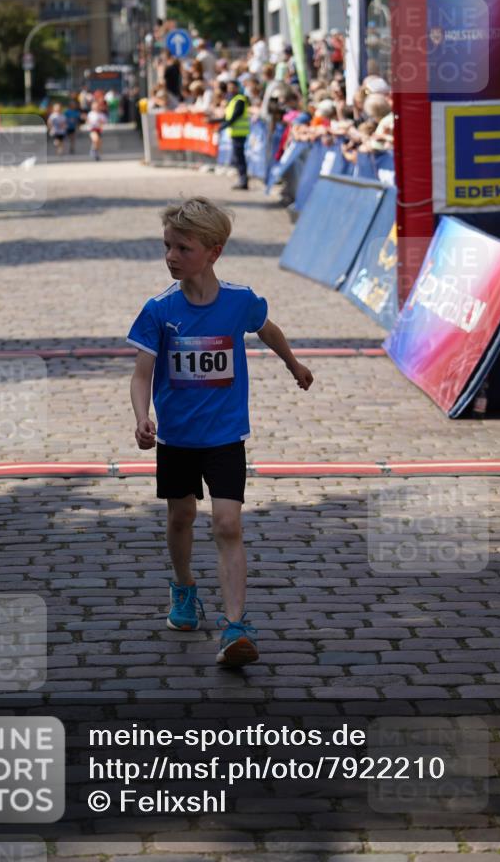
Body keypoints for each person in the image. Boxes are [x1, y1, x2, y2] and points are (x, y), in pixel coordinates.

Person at [127, 197, 313, 667]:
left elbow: (267, 329)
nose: (171, 256)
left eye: (182, 248)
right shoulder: (159, 310)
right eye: (167, 246)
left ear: (214, 251)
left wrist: (294, 364)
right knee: (181, 518)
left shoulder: (239, 301)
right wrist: (141, 416)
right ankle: (185, 590)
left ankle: (236, 626)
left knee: (227, 523)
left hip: (226, 437)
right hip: (177, 439)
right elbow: (142, 372)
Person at [213, 79, 250, 190]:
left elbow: (233, 117)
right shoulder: (232, 101)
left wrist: (221, 127)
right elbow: (227, 117)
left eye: (232, 87)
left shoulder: (239, 100)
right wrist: (212, 121)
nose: (230, 90)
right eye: (229, 87)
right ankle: (242, 180)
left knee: (239, 158)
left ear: (237, 88)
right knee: (237, 158)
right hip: (235, 133)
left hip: (240, 133)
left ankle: (243, 181)